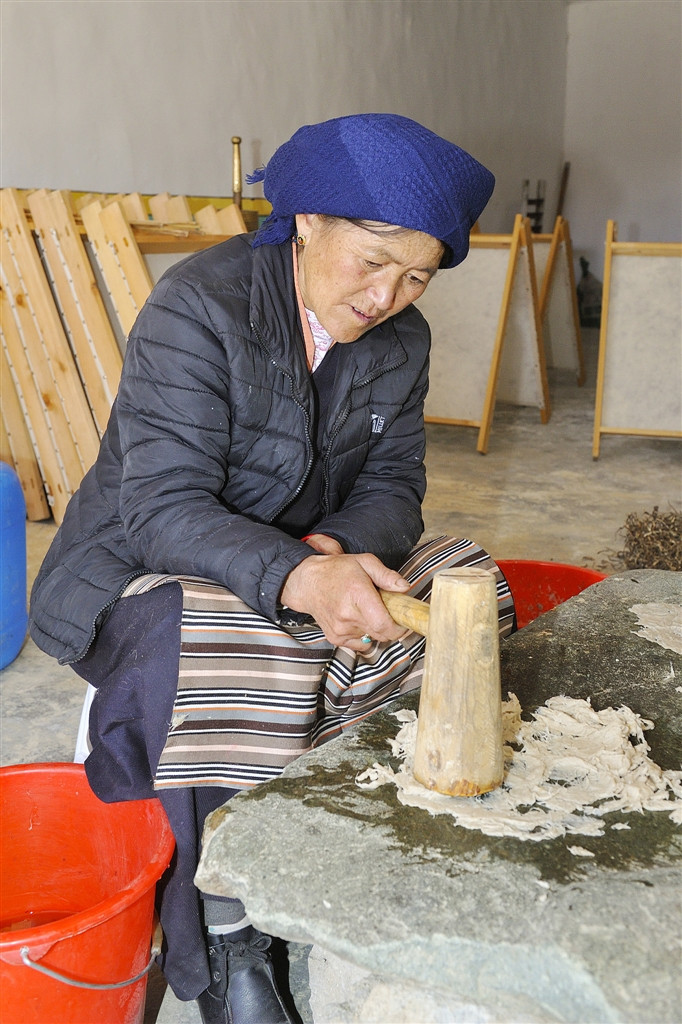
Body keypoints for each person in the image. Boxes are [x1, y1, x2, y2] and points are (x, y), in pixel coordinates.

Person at [29, 113, 515, 1024]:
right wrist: (295, 579)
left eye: (416, 276)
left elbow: (396, 486)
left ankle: (347, 824)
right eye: (372, 260)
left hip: (305, 556)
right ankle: (229, 929)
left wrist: (329, 555)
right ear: (306, 224)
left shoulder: (402, 344)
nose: (387, 296)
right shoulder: (199, 306)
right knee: (231, 633)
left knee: (465, 582)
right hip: (146, 566)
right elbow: (164, 506)